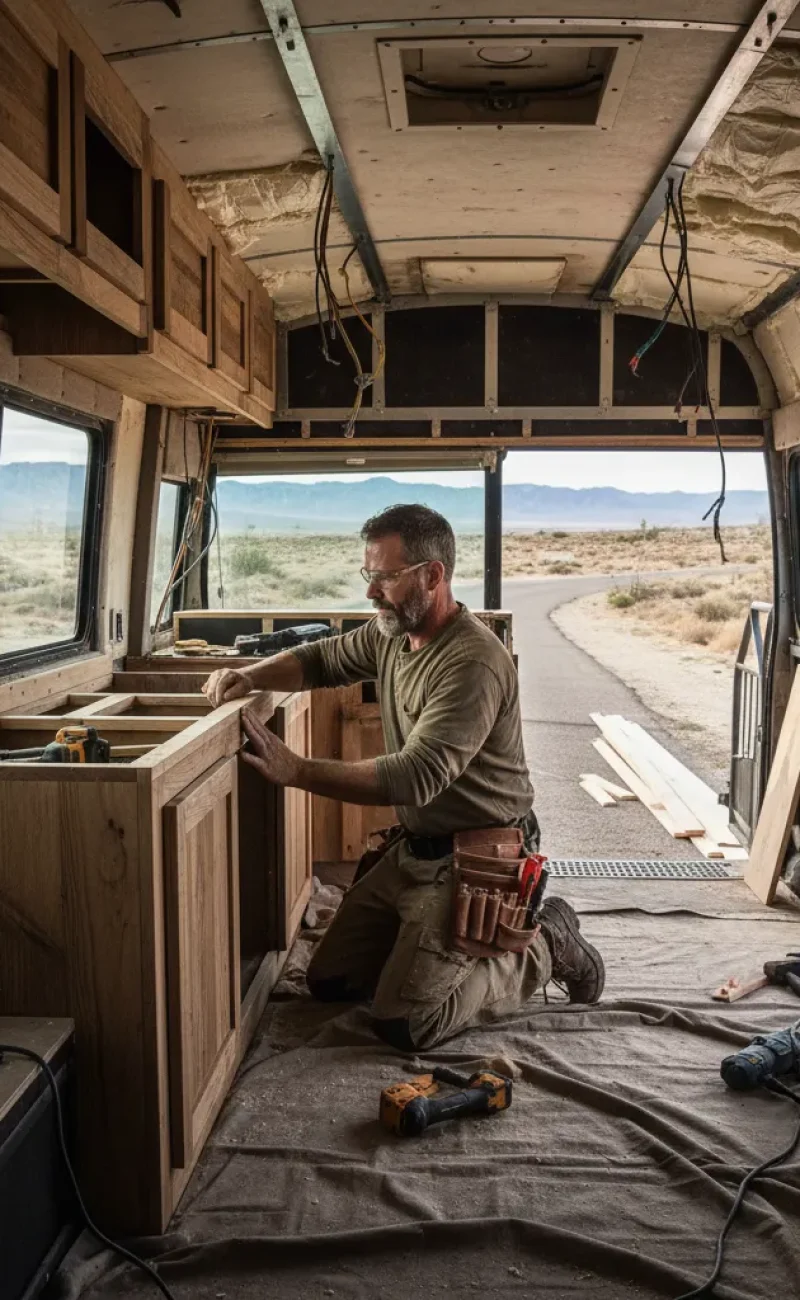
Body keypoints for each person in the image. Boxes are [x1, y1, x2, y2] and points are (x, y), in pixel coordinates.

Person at [203, 504, 604, 1050]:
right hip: (415, 849)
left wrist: (294, 770)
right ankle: (420, 943)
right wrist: (248, 675)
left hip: (475, 857)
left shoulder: (472, 662)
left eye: (386, 577)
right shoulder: (391, 634)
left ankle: (547, 943)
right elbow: (321, 660)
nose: (372, 592)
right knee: (331, 983)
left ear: (432, 575)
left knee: (406, 1023)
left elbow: (416, 777)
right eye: (368, 575)